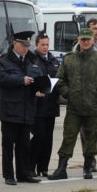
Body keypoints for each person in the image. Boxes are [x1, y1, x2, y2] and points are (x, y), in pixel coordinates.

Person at [51, 25, 97, 180]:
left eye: (88, 39)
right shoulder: (69, 59)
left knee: (91, 138)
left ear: (92, 40)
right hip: (74, 108)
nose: (86, 42)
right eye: (83, 39)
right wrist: (68, 93)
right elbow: (60, 80)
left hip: (94, 108)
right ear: (78, 40)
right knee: (68, 137)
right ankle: (61, 168)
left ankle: (87, 168)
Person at [0, 29, 41, 183]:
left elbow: (38, 76)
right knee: (8, 145)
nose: (26, 48)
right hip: (10, 109)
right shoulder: (4, 60)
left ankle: (24, 173)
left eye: (28, 45)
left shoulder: (31, 60)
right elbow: (0, 78)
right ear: (15, 44)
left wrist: (40, 88)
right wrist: (21, 80)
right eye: (23, 45)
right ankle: (9, 175)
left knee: (24, 145)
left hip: (27, 109)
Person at [30, 31, 60, 179]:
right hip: (37, 106)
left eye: (47, 45)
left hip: (51, 105)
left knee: (48, 138)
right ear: (36, 45)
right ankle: (31, 166)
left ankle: (44, 167)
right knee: (39, 135)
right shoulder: (32, 60)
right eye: (42, 45)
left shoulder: (54, 60)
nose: (45, 47)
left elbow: (59, 78)